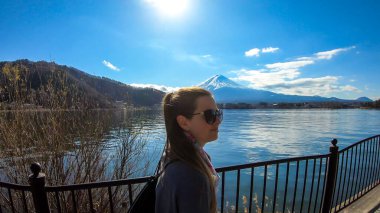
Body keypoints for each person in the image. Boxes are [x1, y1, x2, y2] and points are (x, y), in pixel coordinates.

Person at [155, 87, 223, 213]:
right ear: (184, 122)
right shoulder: (192, 176)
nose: (218, 121)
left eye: (218, 113)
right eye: (210, 115)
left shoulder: (172, 156)